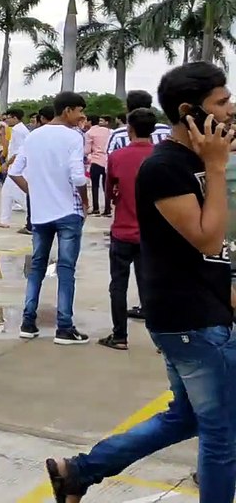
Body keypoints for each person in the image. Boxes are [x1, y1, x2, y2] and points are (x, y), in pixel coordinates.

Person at [44, 61, 236, 502]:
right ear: (189, 111)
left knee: (185, 418)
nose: (231, 109)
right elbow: (207, 236)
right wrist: (219, 167)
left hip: (199, 311)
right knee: (222, 433)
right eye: (221, 102)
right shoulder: (166, 168)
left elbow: (202, 253)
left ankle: (78, 473)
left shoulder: (193, 162)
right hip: (191, 319)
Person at [9, 91, 90, 344]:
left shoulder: (34, 136)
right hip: (68, 212)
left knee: (37, 268)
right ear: (67, 111)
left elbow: (14, 171)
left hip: (41, 214)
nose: (81, 117)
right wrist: (85, 201)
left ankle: (28, 321)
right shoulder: (74, 136)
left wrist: (34, 191)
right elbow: (77, 176)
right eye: (79, 111)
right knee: (66, 270)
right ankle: (64, 326)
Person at [98, 108, 157, 351]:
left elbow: (109, 190)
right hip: (152, 234)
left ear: (129, 129)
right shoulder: (160, 156)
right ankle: (160, 338)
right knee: (151, 286)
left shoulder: (118, 156)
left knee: (118, 285)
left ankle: (119, 335)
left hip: (123, 230)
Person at [106, 89, 172, 153]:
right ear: (149, 107)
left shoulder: (118, 134)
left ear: (128, 109)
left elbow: (110, 159)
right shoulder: (165, 130)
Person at [85, 115, 112, 215]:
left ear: (90, 121)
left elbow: (87, 150)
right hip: (107, 161)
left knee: (95, 186)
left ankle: (96, 208)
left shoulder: (89, 133)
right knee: (106, 186)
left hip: (96, 160)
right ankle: (107, 208)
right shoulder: (109, 131)